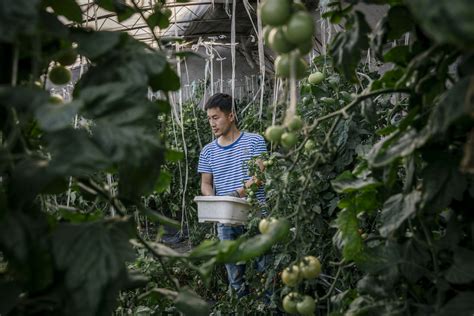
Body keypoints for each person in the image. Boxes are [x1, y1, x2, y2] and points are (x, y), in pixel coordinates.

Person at [197, 93, 267, 297]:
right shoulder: (208, 151)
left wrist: (235, 194)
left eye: (216, 117)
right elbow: (205, 184)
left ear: (231, 116)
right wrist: (213, 200)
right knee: (235, 277)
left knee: (265, 270)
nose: (212, 123)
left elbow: (259, 176)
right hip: (226, 220)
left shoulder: (255, 141)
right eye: (209, 118)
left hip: (256, 215)